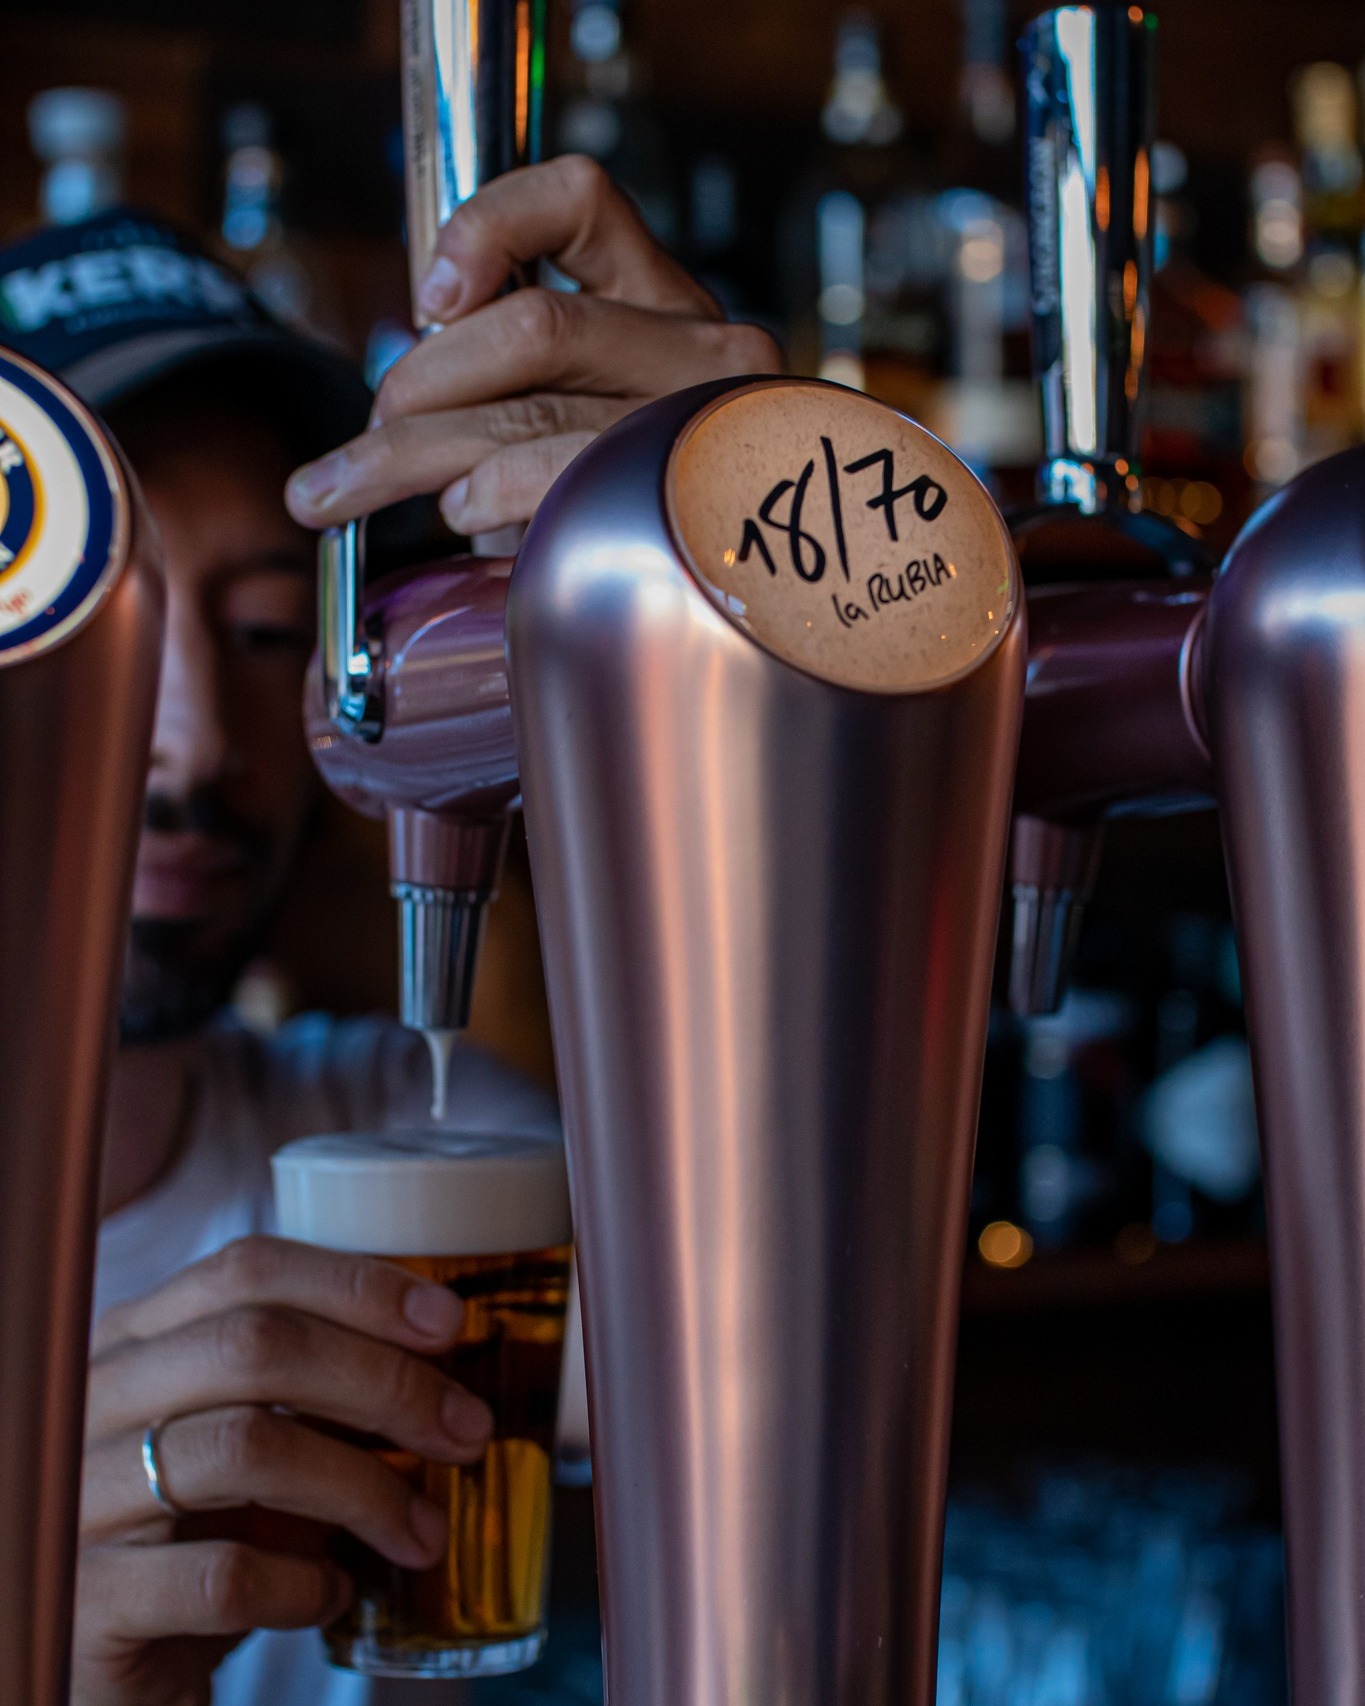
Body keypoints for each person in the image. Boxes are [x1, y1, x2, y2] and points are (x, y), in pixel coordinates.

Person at [0, 155, 780, 1706]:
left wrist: (741, 610)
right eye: (107, 622)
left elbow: (783, 1377)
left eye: (269, 629)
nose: (198, 745)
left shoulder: (387, 1137)